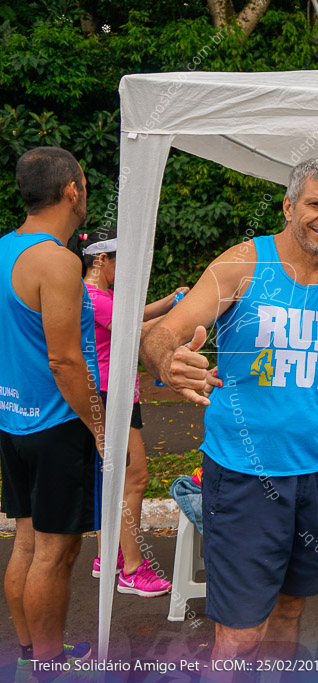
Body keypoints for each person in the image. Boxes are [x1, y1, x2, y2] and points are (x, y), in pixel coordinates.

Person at [140, 159, 318, 664]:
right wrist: (169, 360)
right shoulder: (243, 264)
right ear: (288, 206)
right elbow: (163, 331)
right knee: (240, 634)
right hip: (243, 472)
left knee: (289, 613)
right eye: (316, 204)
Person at [1, 147, 103, 678]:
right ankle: (48, 666)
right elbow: (65, 360)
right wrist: (101, 428)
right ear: (71, 189)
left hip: (13, 421)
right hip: (55, 422)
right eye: (84, 184)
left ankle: (28, 653)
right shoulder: (57, 260)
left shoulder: (3, 249)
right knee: (54, 556)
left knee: (25, 542)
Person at [76, 231, 187, 597]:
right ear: (101, 261)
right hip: (113, 396)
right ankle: (133, 570)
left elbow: (133, 317)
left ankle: (107, 557)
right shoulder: (94, 297)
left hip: (108, 394)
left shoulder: (94, 295)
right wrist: (179, 319)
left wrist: (171, 302)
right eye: (118, 262)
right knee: (135, 479)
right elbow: (132, 331)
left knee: (115, 482)